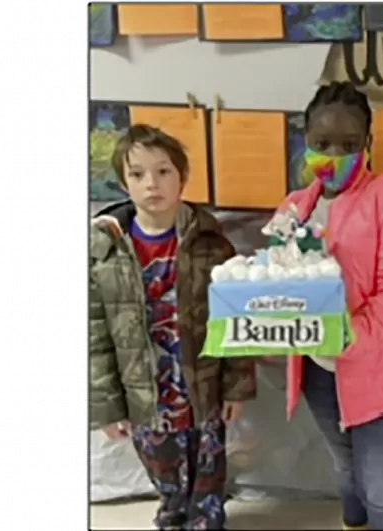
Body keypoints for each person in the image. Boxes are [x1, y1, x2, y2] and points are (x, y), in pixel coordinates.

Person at [282, 81, 383, 530]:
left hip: (381, 368)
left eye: (349, 145)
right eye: (322, 143)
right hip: (318, 370)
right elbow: (280, 278)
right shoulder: (294, 207)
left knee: (381, 489)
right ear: (306, 141)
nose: (334, 155)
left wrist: (352, 334)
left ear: (368, 143)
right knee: (346, 470)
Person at [89, 124, 257, 530]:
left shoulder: (211, 242)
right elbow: (96, 337)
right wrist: (108, 407)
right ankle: (172, 516)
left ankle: (206, 521)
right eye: (138, 174)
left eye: (163, 171)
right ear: (123, 183)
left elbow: (235, 318)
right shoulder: (105, 250)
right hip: (145, 393)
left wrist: (235, 387)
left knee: (208, 476)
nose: (152, 184)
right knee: (166, 477)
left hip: (203, 387)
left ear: (182, 176)